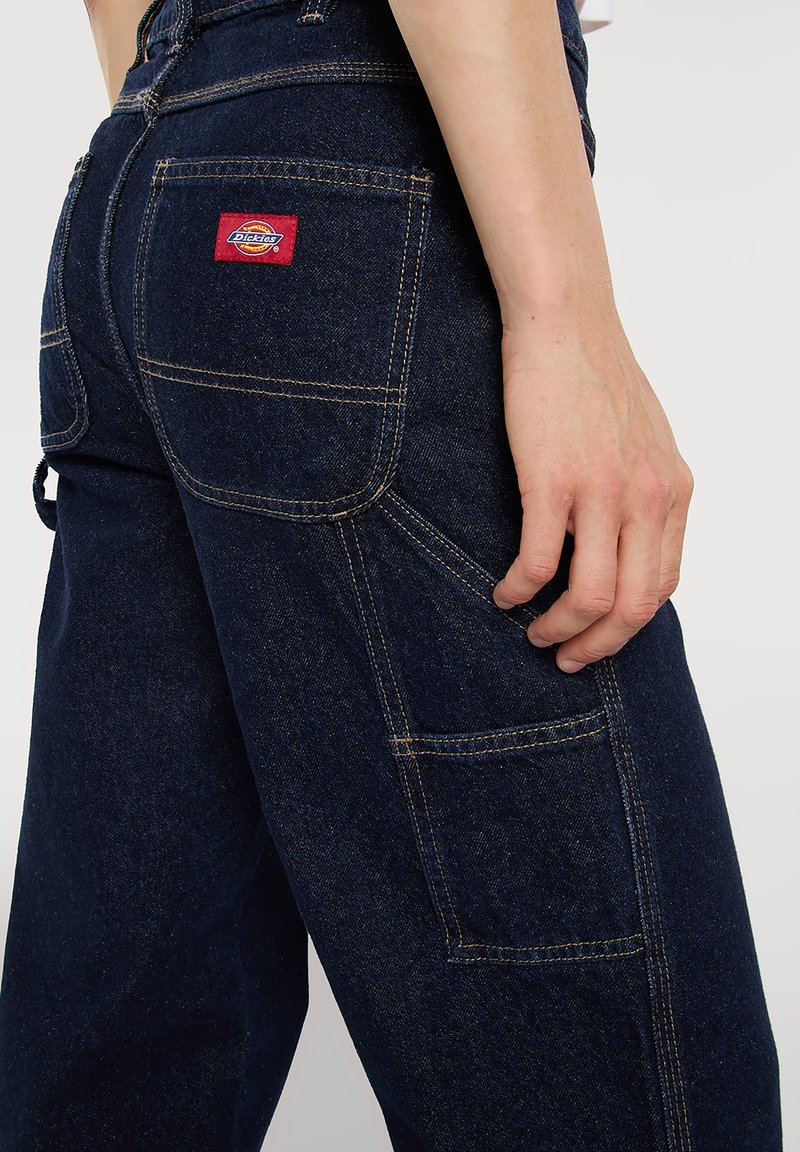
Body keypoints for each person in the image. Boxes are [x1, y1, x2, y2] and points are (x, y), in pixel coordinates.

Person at [0, 0, 782, 1148]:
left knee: (128, 1012)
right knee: (606, 1065)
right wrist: (563, 322)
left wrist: (200, 139)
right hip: (349, 144)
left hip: (142, 168)